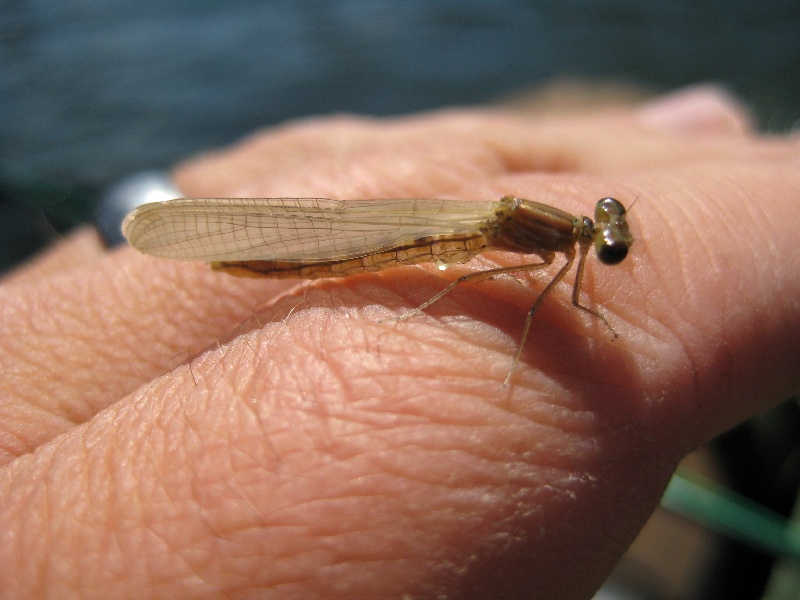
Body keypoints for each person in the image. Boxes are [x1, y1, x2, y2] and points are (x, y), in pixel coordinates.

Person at [0, 86, 797, 599]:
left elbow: (553, 285)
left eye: (607, 237)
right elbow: (525, 305)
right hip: (340, 239)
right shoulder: (558, 244)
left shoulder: (564, 243)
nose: (603, 241)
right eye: (606, 236)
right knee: (437, 284)